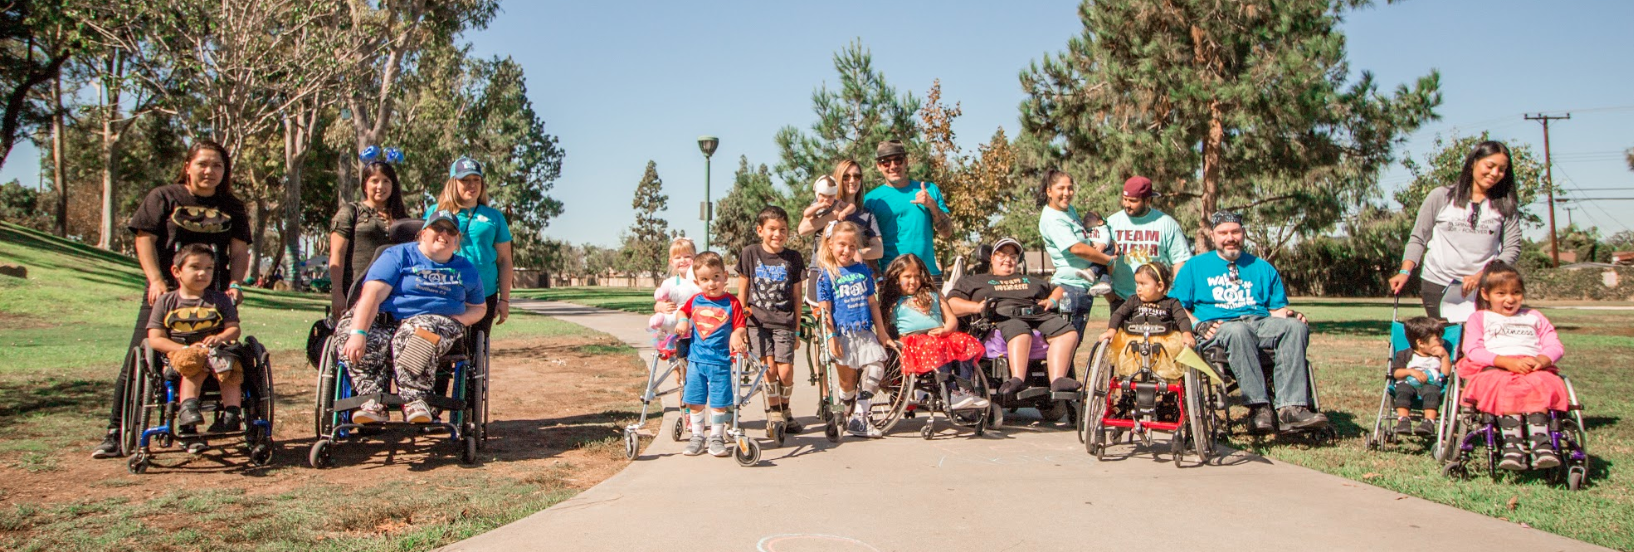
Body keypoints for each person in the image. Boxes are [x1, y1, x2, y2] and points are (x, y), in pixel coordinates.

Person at [94, 140, 252, 459]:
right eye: (203, 164)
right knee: (140, 356)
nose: (209, 171)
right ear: (188, 166)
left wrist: (235, 283)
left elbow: (238, 251)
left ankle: (198, 423)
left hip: (213, 299)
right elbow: (145, 240)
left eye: (217, 166)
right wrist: (155, 280)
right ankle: (115, 431)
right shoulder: (164, 197)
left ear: (225, 171)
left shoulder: (231, 207)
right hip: (166, 296)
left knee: (221, 355)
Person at [1170, 211, 1328, 433]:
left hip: (1259, 322)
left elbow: (1277, 310)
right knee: (1237, 330)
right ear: (1213, 236)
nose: (1230, 237)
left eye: (1235, 231)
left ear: (1243, 234)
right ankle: (1259, 408)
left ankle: (1291, 408)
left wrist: (1291, 316)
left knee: (1295, 328)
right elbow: (1176, 305)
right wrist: (1196, 324)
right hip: (1217, 328)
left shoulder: (1262, 267)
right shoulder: (1195, 267)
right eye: (1223, 233)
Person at [337, 210, 486, 424]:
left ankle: (416, 399)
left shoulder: (466, 269)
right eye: (438, 227)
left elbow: (479, 307)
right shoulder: (397, 255)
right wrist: (358, 333)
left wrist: (456, 322)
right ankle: (371, 400)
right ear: (423, 233)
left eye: (451, 230)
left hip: (433, 322)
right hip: (386, 319)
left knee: (417, 332)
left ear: (457, 240)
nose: (444, 233)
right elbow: (372, 294)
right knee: (350, 331)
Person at [1390, 140, 1524, 319]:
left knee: (1478, 343)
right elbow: (1418, 238)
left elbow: (1511, 249)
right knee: (1443, 342)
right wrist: (1405, 271)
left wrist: (1482, 275)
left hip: (1484, 287)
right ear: (1473, 163)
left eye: (1502, 169)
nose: (1495, 173)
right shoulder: (1441, 196)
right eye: (1490, 166)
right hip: (1438, 283)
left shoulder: (1506, 206)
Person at [1455, 262, 1567, 470]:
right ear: (1486, 294)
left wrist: (1542, 360)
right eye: (1501, 293)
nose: (1510, 299)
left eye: (1516, 292)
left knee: (1544, 383)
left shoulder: (1534, 317)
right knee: (1503, 386)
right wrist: (1506, 362)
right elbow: (1473, 349)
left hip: (1532, 367)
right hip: (1495, 367)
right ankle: (1512, 446)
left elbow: (1555, 345)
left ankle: (1541, 445)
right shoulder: (1480, 318)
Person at [946, 238, 1080, 397]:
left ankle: (1058, 380)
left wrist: (1051, 300)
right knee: (1019, 330)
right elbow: (951, 304)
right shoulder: (974, 281)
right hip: (1003, 315)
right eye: (1002, 255)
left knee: (1068, 333)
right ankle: (1017, 379)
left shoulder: (1030, 280)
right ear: (992, 258)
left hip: (1038, 313)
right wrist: (977, 307)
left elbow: (1058, 289)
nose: (1008, 260)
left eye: (1013, 256)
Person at [146, 244, 244, 453]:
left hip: (216, 353)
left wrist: (220, 337)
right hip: (182, 356)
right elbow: (155, 339)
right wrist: (182, 348)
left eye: (209, 268)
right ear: (177, 271)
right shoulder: (166, 301)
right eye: (195, 267)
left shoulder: (220, 299)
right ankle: (188, 414)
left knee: (229, 368)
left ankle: (232, 415)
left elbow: (234, 329)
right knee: (194, 363)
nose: (203, 273)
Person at [813, 221, 893, 438]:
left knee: (877, 365)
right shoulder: (826, 275)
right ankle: (841, 412)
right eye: (841, 245)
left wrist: (882, 331)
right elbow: (825, 310)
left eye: (852, 246)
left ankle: (860, 417)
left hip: (863, 331)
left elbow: (873, 303)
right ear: (830, 245)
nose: (846, 250)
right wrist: (831, 337)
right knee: (846, 385)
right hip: (841, 334)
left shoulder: (863, 271)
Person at [879, 255, 989, 410]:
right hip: (913, 343)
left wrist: (946, 329)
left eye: (917, 276)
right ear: (896, 279)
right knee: (936, 347)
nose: (913, 281)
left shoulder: (934, 295)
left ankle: (966, 390)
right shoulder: (893, 302)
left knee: (964, 342)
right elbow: (884, 329)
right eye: (907, 276)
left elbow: (952, 319)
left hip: (941, 336)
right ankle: (952, 393)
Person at [735, 206, 805, 433]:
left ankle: (786, 410)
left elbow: (797, 297)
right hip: (757, 323)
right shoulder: (750, 253)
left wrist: (796, 330)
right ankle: (774, 413)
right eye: (772, 229)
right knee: (769, 369)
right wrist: (740, 325)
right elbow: (742, 291)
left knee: (785, 372)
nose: (778, 234)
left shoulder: (793, 258)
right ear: (760, 230)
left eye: (783, 229)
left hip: (784, 322)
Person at [433, 156, 513, 347]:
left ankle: (472, 378)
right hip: (444, 292)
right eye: (465, 180)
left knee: (476, 351)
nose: (472, 185)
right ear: (454, 183)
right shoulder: (435, 213)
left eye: (476, 180)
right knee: (441, 351)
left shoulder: (494, 217)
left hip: (484, 294)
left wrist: (505, 300)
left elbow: (504, 260)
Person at [674, 252, 749, 457]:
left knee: (718, 402)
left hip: (721, 362)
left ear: (725, 276)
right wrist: (682, 321)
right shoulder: (695, 300)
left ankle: (716, 437)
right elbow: (683, 312)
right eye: (705, 279)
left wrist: (736, 335)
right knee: (695, 401)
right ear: (697, 282)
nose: (711, 283)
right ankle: (697, 437)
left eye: (716, 277)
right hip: (697, 362)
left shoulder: (732, 303)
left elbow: (740, 327)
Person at [1037, 169, 1117, 338]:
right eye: (1061, 188)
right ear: (1049, 191)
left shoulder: (1068, 210)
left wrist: (1098, 244)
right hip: (1070, 288)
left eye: (1070, 188)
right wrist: (1107, 261)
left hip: (1080, 287)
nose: (1067, 193)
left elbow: (1082, 241)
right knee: (1067, 344)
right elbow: (1076, 248)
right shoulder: (1053, 218)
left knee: (1070, 346)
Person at [328, 154, 410, 317]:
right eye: (375, 181)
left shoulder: (403, 219)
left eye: (386, 181)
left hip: (393, 294)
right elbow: (337, 254)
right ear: (365, 185)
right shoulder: (351, 212)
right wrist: (337, 292)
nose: (380, 186)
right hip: (356, 291)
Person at [863, 140, 952, 287]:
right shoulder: (871, 200)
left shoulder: (929, 190)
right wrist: (878, 278)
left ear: (906, 162)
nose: (893, 166)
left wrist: (932, 205)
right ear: (879, 166)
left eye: (897, 160)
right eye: (886, 162)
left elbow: (947, 232)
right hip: (892, 278)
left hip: (927, 275)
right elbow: (867, 244)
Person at [1096, 263, 1196, 381]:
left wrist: (1187, 335)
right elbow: (1118, 315)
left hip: (1164, 344)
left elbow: (1183, 319)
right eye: (1137, 283)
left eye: (1143, 284)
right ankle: (1128, 390)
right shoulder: (1133, 300)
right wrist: (1111, 331)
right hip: (1134, 343)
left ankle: (1168, 391)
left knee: (1168, 366)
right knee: (1129, 364)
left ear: (1160, 286)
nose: (1138, 288)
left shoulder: (1172, 303)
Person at [1105, 176, 1191, 312]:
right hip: (1121, 300)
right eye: (1125, 199)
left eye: (1133, 201)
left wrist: (1173, 295)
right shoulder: (1111, 223)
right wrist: (1111, 297)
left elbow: (1180, 261)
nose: (1127, 204)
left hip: (1158, 301)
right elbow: (1099, 258)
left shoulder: (1166, 223)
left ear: (1148, 200)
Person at [798, 162, 883, 271]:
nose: (852, 180)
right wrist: (832, 216)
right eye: (846, 177)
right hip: (821, 270)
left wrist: (856, 252)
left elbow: (878, 250)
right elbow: (803, 230)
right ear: (837, 179)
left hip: (851, 274)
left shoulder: (865, 214)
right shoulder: (823, 202)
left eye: (856, 176)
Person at [1391, 316, 1450, 436]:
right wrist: (1411, 372)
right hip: (1408, 384)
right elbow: (1396, 373)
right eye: (1438, 339)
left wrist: (1445, 357)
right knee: (1402, 390)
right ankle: (1403, 420)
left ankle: (1429, 422)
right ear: (1421, 343)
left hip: (1430, 385)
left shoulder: (1438, 356)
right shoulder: (1405, 354)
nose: (1442, 342)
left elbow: (1446, 373)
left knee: (1432, 392)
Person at [1073, 210, 1114, 294]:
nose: (1086, 220)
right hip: (1093, 253)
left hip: (1104, 250)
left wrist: (1103, 244)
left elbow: (1107, 236)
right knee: (1103, 268)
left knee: (1104, 263)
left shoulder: (1102, 228)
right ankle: (1104, 282)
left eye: (1090, 218)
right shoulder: (1086, 231)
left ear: (1099, 222)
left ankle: (1093, 272)